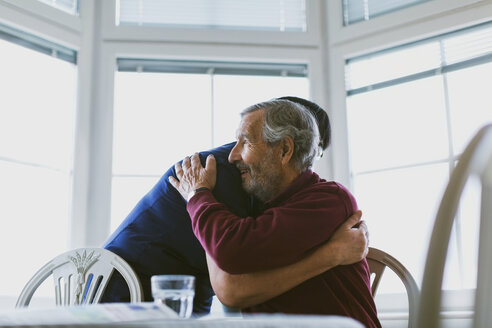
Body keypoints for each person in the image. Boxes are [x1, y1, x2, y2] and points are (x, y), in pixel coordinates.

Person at [102, 97, 369, 316]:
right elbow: (232, 280)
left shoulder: (319, 199)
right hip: (129, 286)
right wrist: (331, 254)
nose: (310, 157)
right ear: (288, 144)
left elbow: (234, 276)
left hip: (179, 290)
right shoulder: (222, 174)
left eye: (315, 150)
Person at [170, 99, 380, 327]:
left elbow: (231, 248)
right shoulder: (266, 212)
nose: (232, 156)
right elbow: (232, 290)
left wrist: (198, 194)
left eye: (246, 142)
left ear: (285, 150)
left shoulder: (328, 200)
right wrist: (331, 255)